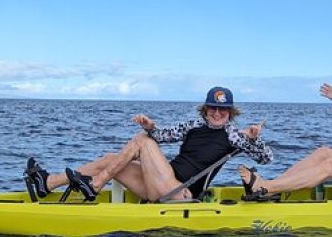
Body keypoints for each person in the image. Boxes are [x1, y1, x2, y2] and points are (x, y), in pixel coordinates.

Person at [25, 86, 273, 202]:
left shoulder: (235, 136)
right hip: (161, 183)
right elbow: (162, 135)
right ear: (206, 108)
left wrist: (254, 138)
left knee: (142, 142)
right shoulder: (192, 126)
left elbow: (266, 158)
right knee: (113, 157)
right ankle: (49, 183)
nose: (217, 113)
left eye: (223, 109)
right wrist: (150, 127)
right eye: (213, 108)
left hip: (181, 193)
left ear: (230, 112)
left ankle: (96, 185)